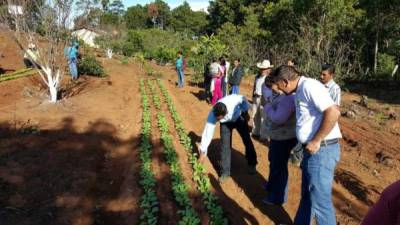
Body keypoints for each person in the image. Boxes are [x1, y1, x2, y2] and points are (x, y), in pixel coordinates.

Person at [270, 65, 342, 225]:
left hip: (322, 150)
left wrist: (316, 140)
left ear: (285, 81)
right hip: (312, 151)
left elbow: (333, 111)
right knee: (308, 195)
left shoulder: (309, 86)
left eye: (279, 85)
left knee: (321, 201)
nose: (278, 89)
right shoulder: (301, 89)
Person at [198, 95, 258, 182]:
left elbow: (243, 99)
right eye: (217, 119)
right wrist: (203, 152)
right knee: (225, 146)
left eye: (219, 118)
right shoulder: (213, 114)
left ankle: (252, 163)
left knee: (247, 140)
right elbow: (208, 132)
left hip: (238, 118)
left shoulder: (233, 100)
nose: (217, 120)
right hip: (226, 124)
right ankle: (225, 172)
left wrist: (245, 111)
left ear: (225, 113)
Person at [262, 76, 297, 205]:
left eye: (273, 86)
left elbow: (278, 118)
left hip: (284, 137)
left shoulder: (289, 98)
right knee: (274, 162)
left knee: (279, 167)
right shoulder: (282, 95)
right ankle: (271, 186)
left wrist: (267, 108)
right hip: (278, 136)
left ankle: (278, 197)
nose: (272, 89)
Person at [251, 59, 273, 139]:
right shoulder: (257, 77)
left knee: (264, 117)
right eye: (262, 68)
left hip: (264, 99)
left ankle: (264, 136)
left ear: (268, 69)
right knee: (255, 115)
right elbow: (255, 87)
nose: (262, 70)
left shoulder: (270, 79)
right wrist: (253, 96)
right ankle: (255, 132)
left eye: (264, 69)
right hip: (256, 97)